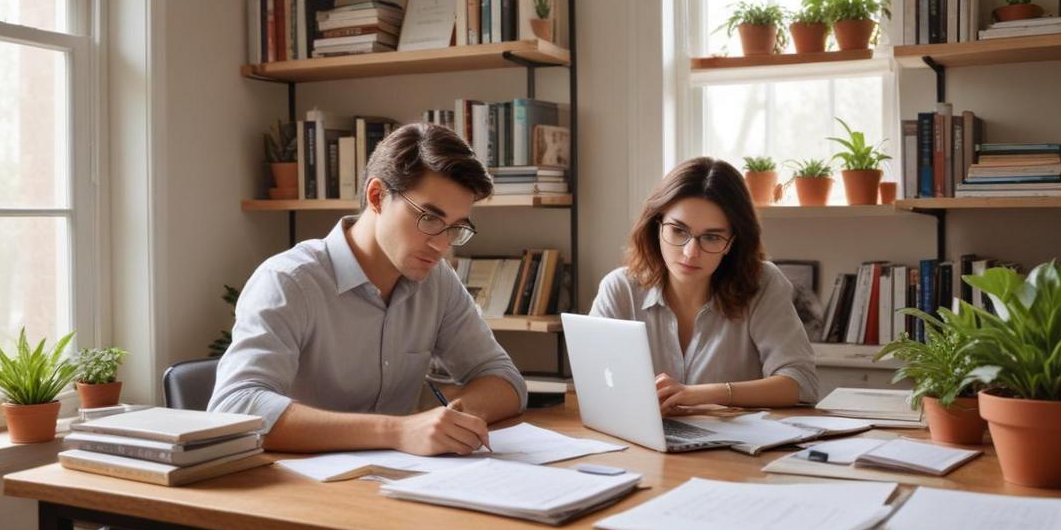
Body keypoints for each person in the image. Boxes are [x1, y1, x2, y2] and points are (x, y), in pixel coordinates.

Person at [209, 122, 526, 457]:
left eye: (455, 228)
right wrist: (397, 431)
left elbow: (505, 381)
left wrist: (442, 420)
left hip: (402, 480)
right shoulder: (289, 281)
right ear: (377, 196)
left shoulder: (437, 282)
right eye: (429, 219)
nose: (441, 246)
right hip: (301, 489)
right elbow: (235, 405)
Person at [590, 157, 818, 413]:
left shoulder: (763, 283)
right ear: (657, 226)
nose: (690, 252)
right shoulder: (620, 289)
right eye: (678, 230)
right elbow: (595, 384)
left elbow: (801, 383)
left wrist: (699, 395)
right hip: (642, 442)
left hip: (735, 448)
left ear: (731, 242)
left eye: (711, 237)